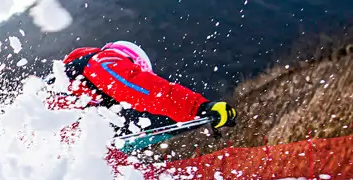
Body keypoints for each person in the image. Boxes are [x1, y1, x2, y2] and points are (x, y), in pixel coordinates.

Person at [46, 40, 237, 151]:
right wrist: (199, 108)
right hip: (45, 140)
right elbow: (147, 92)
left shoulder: (88, 83)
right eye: (136, 69)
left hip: (46, 146)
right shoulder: (104, 61)